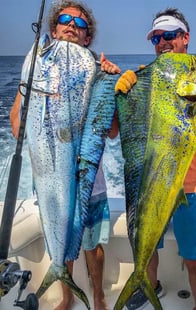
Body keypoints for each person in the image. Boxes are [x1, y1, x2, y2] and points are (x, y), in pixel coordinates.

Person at [115, 7, 196, 310]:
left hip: (194, 189)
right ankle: (149, 286)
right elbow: (115, 133)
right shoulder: (143, 80)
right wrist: (119, 92)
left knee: (195, 258)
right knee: (146, 246)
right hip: (152, 182)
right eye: (156, 38)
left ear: (186, 38)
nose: (163, 42)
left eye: (169, 35)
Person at [10, 1, 120, 310]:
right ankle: (68, 295)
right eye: (64, 19)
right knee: (61, 238)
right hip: (50, 173)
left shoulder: (97, 71)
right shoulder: (35, 67)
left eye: (80, 23)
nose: (71, 24)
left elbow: (111, 132)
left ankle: (97, 296)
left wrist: (110, 85)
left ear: (87, 37)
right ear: (54, 29)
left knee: (93, 244)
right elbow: (16, 122)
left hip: (91, 179)